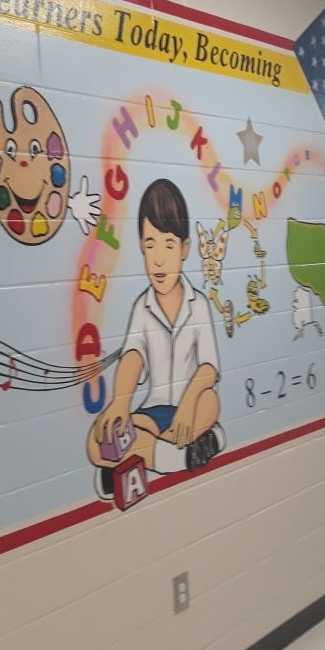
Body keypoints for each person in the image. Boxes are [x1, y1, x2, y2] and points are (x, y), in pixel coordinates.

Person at [88, 179, 225, 501]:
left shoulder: (198, 304)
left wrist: (188, 403)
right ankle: (179, 454)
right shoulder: (143, 307)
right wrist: (120, 401)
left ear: (185, 249)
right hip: (154, 413)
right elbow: (133, 356)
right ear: (140, 247)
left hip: (193, 405)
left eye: (168, 244)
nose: (159, 260)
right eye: (150, 245)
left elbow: (208, 368)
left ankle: (153, 454)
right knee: (98, 439)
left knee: (211, 402)